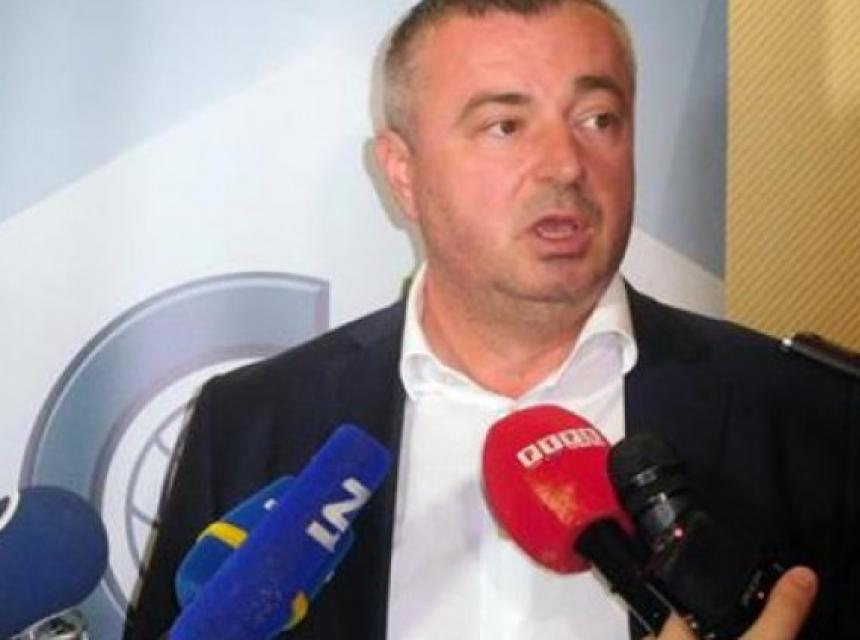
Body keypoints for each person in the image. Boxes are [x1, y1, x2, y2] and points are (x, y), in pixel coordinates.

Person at [123, 1, 858, 639]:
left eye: (598, 119)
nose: (565, 165)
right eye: (505, 125)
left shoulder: (807, 416)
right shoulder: (252, 423)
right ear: (403, 173)